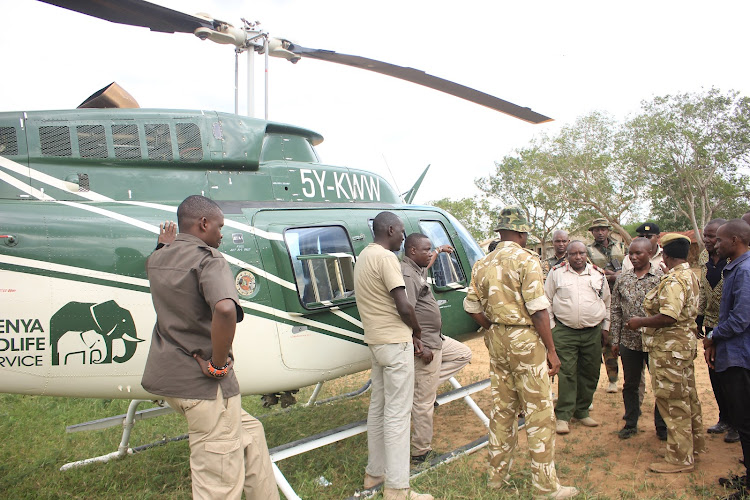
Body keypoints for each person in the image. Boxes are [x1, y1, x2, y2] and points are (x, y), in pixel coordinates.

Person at [141, 195, 279, 500]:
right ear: (203, 224)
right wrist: (218, 365)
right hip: (204, 388)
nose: (221, 234)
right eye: (219, 227)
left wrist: (163, 245)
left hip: (170, 382)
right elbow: (226, 309)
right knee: (218, 480)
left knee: (251, 432)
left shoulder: (158, 258)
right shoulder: (209, 259)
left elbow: (163, 264)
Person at [463, 206, 577, 500]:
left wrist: (493, 326)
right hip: (525, 338)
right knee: (539, 412)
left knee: (502, 410)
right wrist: (552, 350)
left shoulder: (482, 263)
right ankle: (545, 487)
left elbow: (471, 306)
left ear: (500, 231)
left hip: (498, 338)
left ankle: (496, 478)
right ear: (523, 233)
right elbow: (538, 309)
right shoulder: (528, 260)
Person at [353, 211, 433, 500]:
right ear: (389, 230)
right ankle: (398, 488)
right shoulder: (387, 259)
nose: (403, 236)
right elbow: (403, 305)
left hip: (376, 343)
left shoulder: (363, 256)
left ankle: (374, 474)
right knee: (398, 416)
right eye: (401, 232)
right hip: (396, 344)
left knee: (378, 410)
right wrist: (417, 332)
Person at [626, 233, 706, 473]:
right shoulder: (689, 275)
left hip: (670, 350)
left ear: (666, 254)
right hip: (683, 347)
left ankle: (680, 458)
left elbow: (669, 316)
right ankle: (694, 446)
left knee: (673, 402)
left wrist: (640, 321)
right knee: (688, 396)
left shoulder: (673, 281)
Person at [402, 233, 472, 464]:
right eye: (427, 250)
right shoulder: (407, 274)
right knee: (424, 403)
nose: (430, 253)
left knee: (463, 354)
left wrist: (440, 251)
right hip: (427, 343)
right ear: (412, 251)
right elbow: (405, 311)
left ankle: (422, 388)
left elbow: (428, 263)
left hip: (437, 338)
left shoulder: (417, 267)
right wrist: (418, 342)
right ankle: (420, 452)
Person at [704, 219, 750, 498]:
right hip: (733, 352)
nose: (715, 244)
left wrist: (713, 335)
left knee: (745, 420)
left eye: (720, 240)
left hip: (740, 356)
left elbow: (741, 319)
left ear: (735, 240)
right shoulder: (736, 268)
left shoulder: (744, 271)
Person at [546, 240, 611, 434]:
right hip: (565, 331)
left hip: (592, 332)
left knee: (590, 371)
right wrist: (552, 328)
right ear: (567, 255)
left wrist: (606, 327)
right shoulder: (556, 274)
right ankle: (563, 415)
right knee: (567, 373)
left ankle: (582, 411)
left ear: (586, 254)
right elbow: (547, 301)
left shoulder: (598, 275)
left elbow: (607, 302)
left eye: (581, 253)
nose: (578, 257)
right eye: (573, 253)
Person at [610, 238, 666, 440]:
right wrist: (615, 340)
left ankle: (662, 426)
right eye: (630, 254)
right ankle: (631, 422)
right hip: (629, 342)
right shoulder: (623, 279)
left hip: (655, 342)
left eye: (638, 253)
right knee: (631, 384)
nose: (633, 257)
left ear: (650, 253)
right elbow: (615, 311)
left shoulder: (661, 278)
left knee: (659, 384)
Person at [697, 219, 739, 443]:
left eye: (713, 237)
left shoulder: (736, 258)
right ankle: (724, 417)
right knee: (715, 372)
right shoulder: (704, 258)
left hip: (731, 325)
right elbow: (703, 289)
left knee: (732, 375)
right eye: (706, 236)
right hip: (712, 323)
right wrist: (699, 317)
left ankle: (737, 423)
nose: (708, 240)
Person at [586, 218, 622, 391]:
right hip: (597, 298)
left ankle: (613, 380)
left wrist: (620, 275)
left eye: (603, 229)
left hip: (620, 298)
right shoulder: (587, 251)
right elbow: (587, 270)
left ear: (608, 231)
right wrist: (608, 275)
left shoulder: (620, 247)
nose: (600, 232)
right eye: (596, 230)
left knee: (614, 340)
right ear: (592, 232)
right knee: (601, 339)